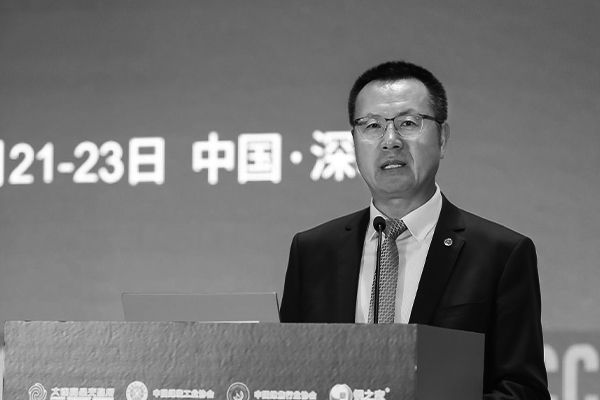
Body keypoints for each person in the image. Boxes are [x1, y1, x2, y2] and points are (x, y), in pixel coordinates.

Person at [280, 61, 550, 399]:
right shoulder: (313, 252)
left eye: (408, 123)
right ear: (353, 142)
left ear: (443, 138)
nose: (390, 140)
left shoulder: (500, 254)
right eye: (372, 126)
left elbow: (523, 391)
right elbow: (287, 379)